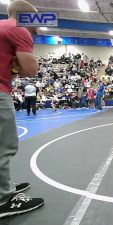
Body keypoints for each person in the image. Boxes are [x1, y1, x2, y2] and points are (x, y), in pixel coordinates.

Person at [0, 0, 44, 218]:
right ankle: (3, 199)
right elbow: (31, 69)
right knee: (4, 145)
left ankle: (4, 187)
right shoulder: (18, 30)